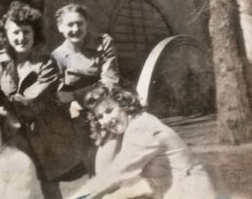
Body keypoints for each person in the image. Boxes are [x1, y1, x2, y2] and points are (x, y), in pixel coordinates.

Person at [0, 1, 82, 198]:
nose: (21, 38)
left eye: (26, 32)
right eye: (15, 32)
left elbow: (33, 103)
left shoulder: (46, 63)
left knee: (50, 185)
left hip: (44, 134)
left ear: (34, 33)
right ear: (6, 35)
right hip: (11, 135)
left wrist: (3, 105)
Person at [70, 84, 216, 199]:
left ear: (124, 105)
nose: (106, 120)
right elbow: (107, 173)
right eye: (100, 116)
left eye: (109, 110)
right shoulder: (133, 125)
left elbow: (114, 174)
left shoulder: (141, 128)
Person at [52, 3, 121, 175]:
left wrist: (77, 98)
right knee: (94, 168)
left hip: (107, 109)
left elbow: (110, 80)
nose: (76, 28)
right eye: (70, 25)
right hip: (80, 119)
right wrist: (71, 103)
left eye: (80, 23)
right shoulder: (57, 56)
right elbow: (59, 93)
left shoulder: (104, 42)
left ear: (86, 23)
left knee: (118, 164)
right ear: (60, 27)